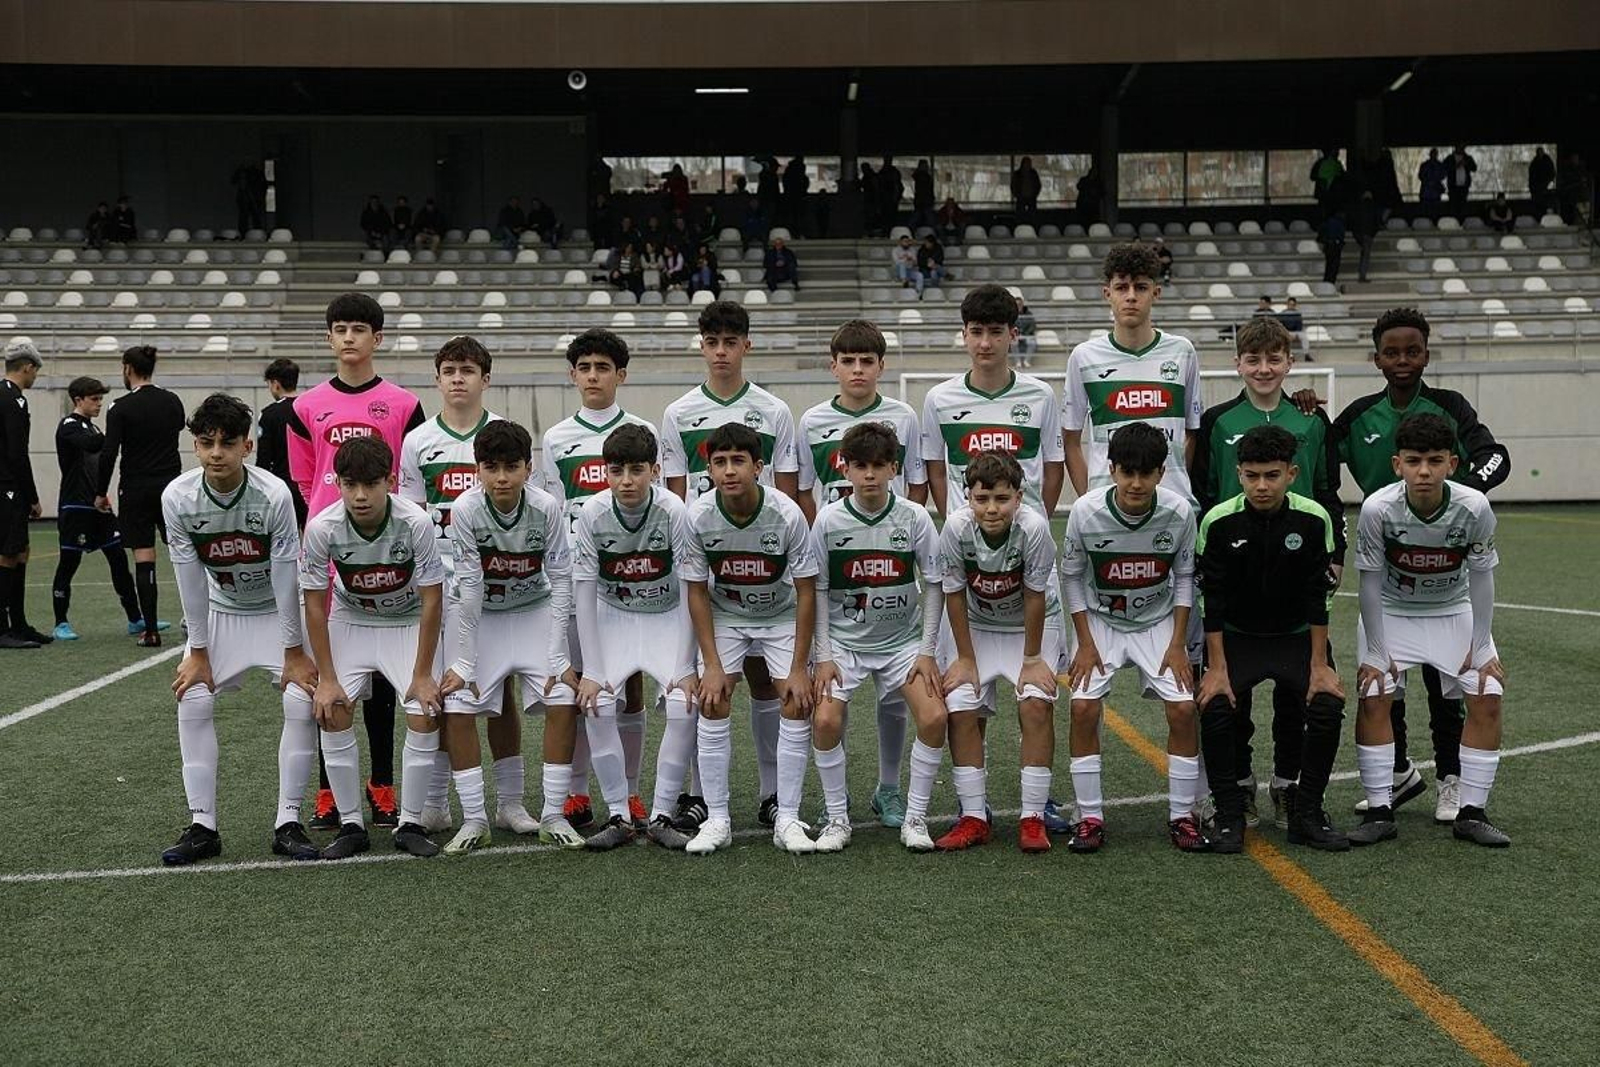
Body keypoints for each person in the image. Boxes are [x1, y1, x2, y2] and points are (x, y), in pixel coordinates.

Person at [1296, 307, 1509, 826]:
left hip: (1442, 563)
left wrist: (1451, 500)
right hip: (1386, 551)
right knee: (1383, 680)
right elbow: (1320, 453)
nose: (1402, 360)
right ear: (1377, 359)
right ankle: (1396, 773)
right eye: (1391, 352)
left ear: (1426, 355)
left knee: (1447, 684)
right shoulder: (1361, 415)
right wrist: (1302, 408)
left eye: (1412, 351)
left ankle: (1452, 777)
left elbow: (1495, 457)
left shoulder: (1449, 406)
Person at [1191, 316, 1346, 828]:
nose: (1263, 368)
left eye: (1273, 359)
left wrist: (1337, 553)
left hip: (1295, 566)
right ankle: (1238, 789)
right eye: (1253, 359)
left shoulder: (1311, 419)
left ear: (1289, 363)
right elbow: (1204, 489)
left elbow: (1326, 490)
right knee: (1228, 698)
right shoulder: (1217, 421)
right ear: (1237, 364)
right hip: (1236, 566)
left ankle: (1287, 785)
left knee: (1295, 697)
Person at [157, 394, 321, 866]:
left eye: (227, 443)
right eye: (206, 442)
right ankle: (202, 825)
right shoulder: (178, 497)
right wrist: (198, 650)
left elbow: (286, 574)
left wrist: (294, 650)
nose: (216, 453)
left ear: (247, 446)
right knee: (192, 696)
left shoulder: (273, 495)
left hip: (275, 612)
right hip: (221, 611)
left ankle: (288, 822)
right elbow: (188, 575)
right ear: (194, 446)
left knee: (300, 699)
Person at [287, 292, 427, 831]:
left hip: (388, 554)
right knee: (334, 681)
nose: (349, 337)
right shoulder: (305, 406)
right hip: (329, 556)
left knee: (386, 682)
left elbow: (408, 479)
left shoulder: (403, 404)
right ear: (329, 337)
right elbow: (306, 480)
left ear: (377, 338)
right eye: (340, 329)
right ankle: (329, 792)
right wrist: (329, 520)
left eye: (359, 329)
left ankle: (383, 786)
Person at [660, 300, 801, 829]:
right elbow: (676, 498)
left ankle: (771, 795)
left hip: (763, 568)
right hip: (707, 566)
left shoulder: (774, 410)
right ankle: (700, 795)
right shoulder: (678, 413)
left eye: (730, 342)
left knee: (766, 683)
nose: (721, 352)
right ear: (701, 346)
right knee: (709, 685)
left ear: (747, 345)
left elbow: (786, 494)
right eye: (712, 342)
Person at [398, 336, 538, 843]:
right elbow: (411, 516)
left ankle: (511, 802)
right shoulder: (418, 441)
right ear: (437, 379)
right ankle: (436, 804)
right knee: (441, 692)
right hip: (440, 587)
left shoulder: (504, 434)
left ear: (485, 379)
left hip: (499, 584)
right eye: (450, 371)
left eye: (468, 371)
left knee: (501, 695)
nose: (458, 379)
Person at [1352, 413, 1509, 848]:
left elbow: (1482, 577)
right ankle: (1380, 811)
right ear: (1397, 464)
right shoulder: (1377, 509)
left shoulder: (1474, 507)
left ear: (1452, 465)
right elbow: (1368, 582)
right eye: (1414, 461)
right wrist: (1377, 650)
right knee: (1374, 691)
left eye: (1435, 461)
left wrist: (1481, 645)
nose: (1424, 471)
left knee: (1488, 690)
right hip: (1392, 610)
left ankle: (1472, 813)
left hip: (1451, 608)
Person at [796, 320, 928, 830]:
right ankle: (837, 800)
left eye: (866, 361)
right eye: (848, 361)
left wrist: (893, 539)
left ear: (880, 366)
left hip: (890, 564)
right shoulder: (811, 420)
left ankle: (888, 789)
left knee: (895, 698)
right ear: (833, 366)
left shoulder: (903, 416)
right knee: (833, 699)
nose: (857, 369)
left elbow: (916, 485)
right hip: (840, 567)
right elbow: (804, 491)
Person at [1062, 422, 1206, 854]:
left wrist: (1178, 644)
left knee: (1183, 709)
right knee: (1082, 708)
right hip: (1100, 622)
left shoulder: (1179, 512)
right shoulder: (1085, 512)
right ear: (1112, 469)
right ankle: (1089, 817)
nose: (1136, 483)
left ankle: (1182, 816)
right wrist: (1085, 642)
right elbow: (1071, 578)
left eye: (1146, 473)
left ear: (1162, 472)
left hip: (1157, 621)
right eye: (1127, 472)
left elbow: (1184, 579)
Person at [299, 435, 445, 860]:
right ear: (338, 483)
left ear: (391, 482)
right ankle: (351, 825)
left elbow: (433, 599)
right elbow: (314, 603)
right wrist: (327, 678)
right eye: (350, 485)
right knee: (333, 709)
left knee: (424, 710)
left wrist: (422, 674)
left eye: (371, 484)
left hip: (406, 620)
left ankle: (410, 823)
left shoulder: (415, 522)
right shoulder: (322, 527)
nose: (360, 496)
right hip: (353, 620)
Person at [437, 420, 578, 855]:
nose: (501, 477)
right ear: (477, 469)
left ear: (528, 469)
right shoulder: (465, 509)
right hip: (479, 615)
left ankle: (551, 815)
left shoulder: (546, 507)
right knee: (459, 703)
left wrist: (558, 655)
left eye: (511, 467)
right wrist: (465, 661)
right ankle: (474, 819)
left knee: (564, 697)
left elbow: (561, 579)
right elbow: (470, 584)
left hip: (533, 609)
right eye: (491, 467)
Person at [539, 328, 661, 832]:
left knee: (627, 685)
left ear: (620, 375)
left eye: (603, 368)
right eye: (585, 368)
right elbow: (553, 510)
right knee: (577, 683)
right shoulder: (556, 438)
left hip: (627, 578)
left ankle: (629, 791)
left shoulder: (643, 429)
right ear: (573, 375)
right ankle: (576, 790)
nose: (593, 376)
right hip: (575, 578)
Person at [809, 423, 950, 853]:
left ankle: (914, 816)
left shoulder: (914, 517)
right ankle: (837, 816)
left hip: (902, 644)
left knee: (934, 717)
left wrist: (926, 652)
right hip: (844, 645)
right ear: (845, 469)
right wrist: (824, 655)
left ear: (894, 468)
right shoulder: (828, 520)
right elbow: (817, 590)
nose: (869, 474)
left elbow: (935, 583)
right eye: (860, 466)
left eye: (878, 465)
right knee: (825, 721)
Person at [681, 422, 819, 855]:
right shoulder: (697, 515)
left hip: (780, 615)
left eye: (738, 461)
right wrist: (712, 665)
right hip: (727, 614)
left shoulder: (787, 514)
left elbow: (807, 590)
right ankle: (717, 818)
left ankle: (787, 816)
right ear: (709, 469)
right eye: (720, 462)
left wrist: (798, 668)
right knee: (712, 698)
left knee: (795, 699)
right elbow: (696, 591)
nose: (729, 470)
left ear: (758, 467)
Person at [570, 424, 700, 850]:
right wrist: (592, 669)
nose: (626, 480)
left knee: (684, 703)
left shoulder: (674, 510)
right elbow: (584, 591)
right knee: (597, 703)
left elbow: (690, 587)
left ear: (655, 471)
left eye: (636, 470)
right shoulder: (592, 513)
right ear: (605, 472)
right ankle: (619, 815)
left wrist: (685, 666)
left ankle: (661, 815)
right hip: (615, 616)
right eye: (617, 470)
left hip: (666, 616)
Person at [934, 451, 1064, 852]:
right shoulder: (955, 528)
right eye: (982, 498)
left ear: (1019, 498)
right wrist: (965, 659)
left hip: (1030, 625)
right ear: (968, 497)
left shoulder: (1034, 528)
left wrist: (1032, 659)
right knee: (960, 703)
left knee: (1036, 703)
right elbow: (954, 593)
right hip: (977, 623)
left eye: (1002, 499)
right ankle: (974, 816)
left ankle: (1033, 817)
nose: (992, 509)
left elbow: (1035, 595)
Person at [921, 284, 1065, 522]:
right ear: (964, 335)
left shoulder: (1042, 395)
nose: (985, 343)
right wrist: (956, 522)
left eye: (996, 332)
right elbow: (936, 473)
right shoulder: (938, 398)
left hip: (1025, 535)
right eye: (977, 332)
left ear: (1013, 335)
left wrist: (1036, 521)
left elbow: (1054, 469)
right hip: (966, 536)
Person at [96, 344, 185, 647]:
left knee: (144, 556)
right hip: (171, 487)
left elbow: (109, 453)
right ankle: (200, 621)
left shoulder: (120, 407)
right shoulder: (172, 401)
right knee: (183, 553)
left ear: (128, 368)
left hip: (135, 489)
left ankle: (151, 631)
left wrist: (100, 492)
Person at [51, 376, 142, 641]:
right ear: (78, 400)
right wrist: (118, 430)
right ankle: (60, 622)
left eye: (101, 399)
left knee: (118, 559)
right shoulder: (69, 426)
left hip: (98, 506)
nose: (99, 403)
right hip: (75, 505)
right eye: (94, 399)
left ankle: (135, 619)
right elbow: (92, 445)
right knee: (69, 562)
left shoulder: (94, 428)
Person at [0, 341, 46, 648]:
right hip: (8, 486)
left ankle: (18, 623)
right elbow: (17, 453)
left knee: (21, 550)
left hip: (6, 484)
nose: (35, 377)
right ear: (27, 367)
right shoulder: (14, 400)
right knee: (8, 553)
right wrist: (32, 497)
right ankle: (4, 628)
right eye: (35, 371)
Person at [255, 358, 308, 528]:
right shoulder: (309, 409)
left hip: (282, 486)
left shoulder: (269, 414)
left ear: (275, 384)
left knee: (285, 534)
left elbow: (264, 457)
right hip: (309, 485)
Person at [1353, 189, 1380, 283]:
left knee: (1364, 254)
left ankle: (1362, 275)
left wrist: (1356, 234)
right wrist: (1373, 233)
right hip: (1368, 234)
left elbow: (1354, 222)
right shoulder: (1373, 207)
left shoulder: (1358, 208)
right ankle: (1362, 275)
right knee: (1365, 255)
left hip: (1360, 234)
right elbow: (1376, 222)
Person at [1310, 148, 1344, 218]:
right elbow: (1313, 176)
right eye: (1336, 151)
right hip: (1327, 195)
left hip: (1330, 195)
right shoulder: (1335, 164)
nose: (1338, 153)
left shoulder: (1337, 164)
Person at [782, 156, 810, 235]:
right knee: (798, 217)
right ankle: (798, 233)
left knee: (793, 217)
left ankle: (793, 233)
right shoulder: (799, 173)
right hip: (798, 197)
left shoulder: (789, 171)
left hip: (791, 197)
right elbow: (804, 183)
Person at [1446, 146, 1477, 214]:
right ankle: (1453, 219)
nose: (1460, 149)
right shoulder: (1450, 158)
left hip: (1464, 187)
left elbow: (1474, 168)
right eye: (1459, 147)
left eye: (1462, 147)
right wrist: (1456, 166)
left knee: (1463, 207)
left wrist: (1466, 164)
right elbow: (1445, 168)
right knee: (1453, 207)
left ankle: (1462, 219)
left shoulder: (1468, 158)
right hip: (1453, 187)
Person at [1318, 209, 1346, 286]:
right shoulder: (1339, 223)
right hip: (1335, 245)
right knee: (1334, 265)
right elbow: (1341, 235)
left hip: (1328, 245)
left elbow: (1321, 233)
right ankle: (1331, 281)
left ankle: (1327, 280)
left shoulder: (1327, 222)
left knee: (1329, 264)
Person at [1528, 147, 1556, 217]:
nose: (1540, 154)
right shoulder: (1534, 163)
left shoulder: (1547, 161)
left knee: (1546, 207)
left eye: (1541, 152)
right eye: (1539, 152)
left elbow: (1552, 173)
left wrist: (1549, 183)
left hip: (1546, 190)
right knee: (1538, 209)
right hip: (1537, 191)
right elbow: (1531, 177)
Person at [1076, 163, 1104, 228]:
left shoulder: (1097, 182)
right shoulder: (1084, 180)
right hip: (1083, 207)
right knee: (1083, 224)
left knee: (1093, 224)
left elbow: (1102, 193)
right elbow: (1078, 187)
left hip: (1093, 208)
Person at [879, 155, 904, 229]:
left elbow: (897, 185)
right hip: (886, 198)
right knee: (888, 215)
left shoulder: (890, 172)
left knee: (889, 215)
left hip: (889, 198)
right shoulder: (886, 171)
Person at [911, 159, 935, 231]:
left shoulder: (922, 176)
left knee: (920, 217)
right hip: (923, 201)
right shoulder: (923, 177)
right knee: (928, 218)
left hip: (923, 201)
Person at [858, 162, 882, 238]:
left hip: (872, 200)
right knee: (869, 217)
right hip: (869, 200)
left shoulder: (871, 176)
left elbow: (876, 188)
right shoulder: (867, 176)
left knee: (872, 217)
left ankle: (873, 232)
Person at [1014, 296, 1037, 369]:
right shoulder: (1011, 315)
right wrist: (1017, 334)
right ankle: (1018, 362)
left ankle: (1026, 361)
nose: (1018, 306)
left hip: (1027, 335)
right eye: (1016, 305)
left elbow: (1032, 326)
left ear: (1022, 304)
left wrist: (1025, 334)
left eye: (1020, 304)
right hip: (1016, 335)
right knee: (1013, 342)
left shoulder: (1029, 314)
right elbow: (1010, 326)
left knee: (1032, 342)